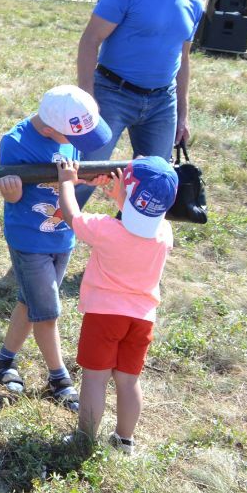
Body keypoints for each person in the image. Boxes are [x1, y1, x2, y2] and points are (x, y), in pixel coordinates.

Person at [0, 86, 112, 411]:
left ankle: (3, 361)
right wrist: (10, 191)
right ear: (47, 130)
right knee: (48, 312)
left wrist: (87, 180)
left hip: (61, 236)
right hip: (29, 239)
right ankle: (59, 380)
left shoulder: (68, 135)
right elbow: (13, 198)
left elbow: (69, 177)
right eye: (76, 138)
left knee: (31, 304)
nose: (81, 145)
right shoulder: (15, 144)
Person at [75, 0, 213, 198]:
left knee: (156, 184)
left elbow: (183, 59)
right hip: (112, 94)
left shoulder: (194, 3)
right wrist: (87, 98)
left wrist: (182, 114)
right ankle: (57, 232)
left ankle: (130, 238)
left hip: (162, 103)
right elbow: (90, 40)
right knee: (86, 174)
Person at [56, 154, 177, 455]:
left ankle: (85, 438)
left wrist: (67, 183)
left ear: (129, 189)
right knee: (127, 380)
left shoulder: (105, 229)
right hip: (142, 320)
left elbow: (72, 217)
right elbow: (140, 223)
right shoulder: (164, 234)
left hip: (104, 316)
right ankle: (124, 440)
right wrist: (123, 197)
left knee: (95, 379)